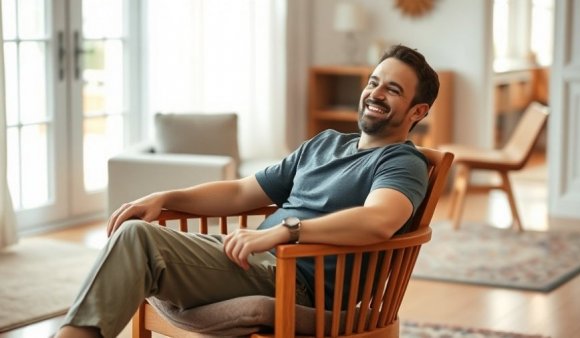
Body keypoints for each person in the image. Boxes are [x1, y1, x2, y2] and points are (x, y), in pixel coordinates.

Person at [55, 43, 439, 338]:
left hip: (298, 281)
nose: (375, 94)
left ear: (417, 112)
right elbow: (242, 192)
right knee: (136, 235)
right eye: (373, 82)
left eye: (392, 90)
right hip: (255, 261)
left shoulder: (402, 162)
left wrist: (286, 231)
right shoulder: (325, 143)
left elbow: (378, 221)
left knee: (138, 240)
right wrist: (167, 198)